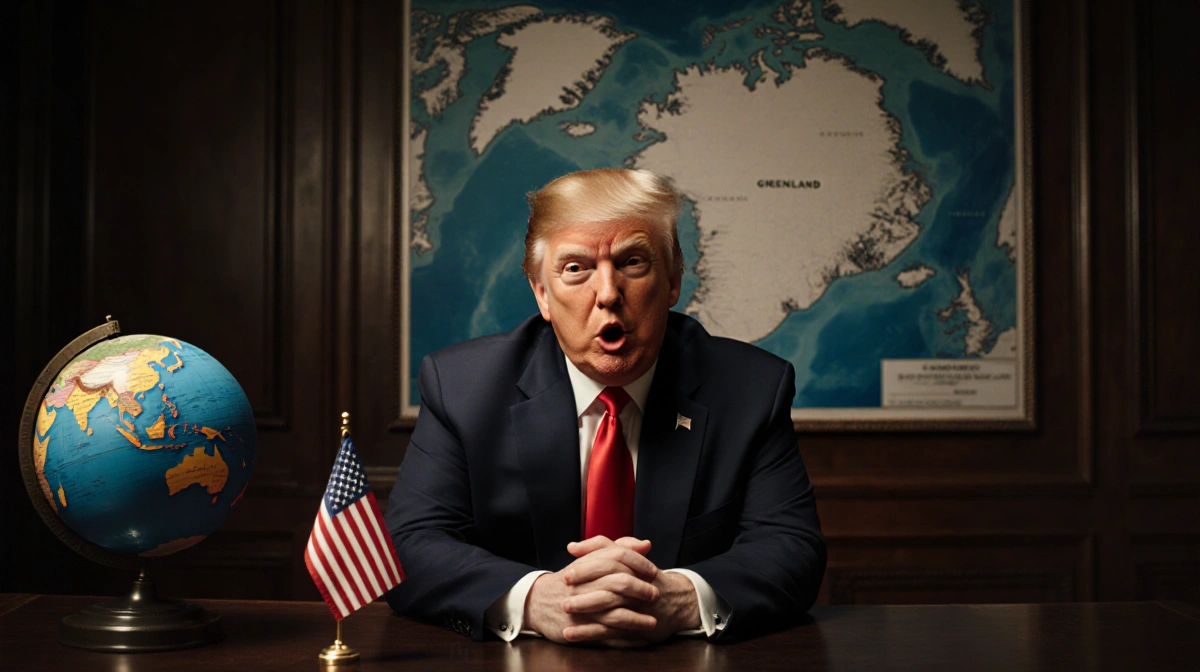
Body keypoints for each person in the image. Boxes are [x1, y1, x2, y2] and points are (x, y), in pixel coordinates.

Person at [385, 168, 825, 645]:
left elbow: (792, 548)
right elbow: (408, 546)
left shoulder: (752, 388)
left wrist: (681, 597)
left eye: (633, 262)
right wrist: (536, 600)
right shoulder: (461, 388)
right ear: (542, 294)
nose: (609, 294)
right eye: (576, 268)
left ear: (673, 280)